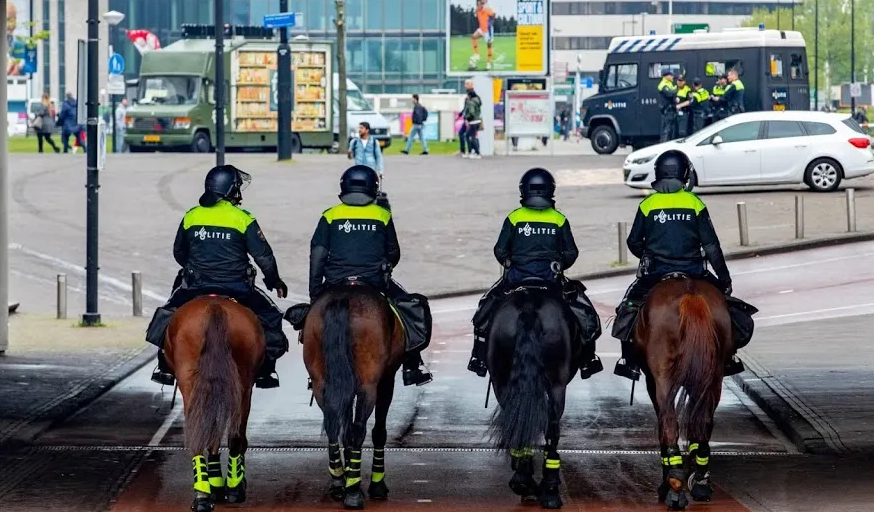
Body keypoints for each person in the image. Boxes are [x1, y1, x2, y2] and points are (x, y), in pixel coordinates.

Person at [148, 164, 289, 389]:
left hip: (196, 286)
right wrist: (274, 281)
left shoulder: (192, 216)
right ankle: (266, 371)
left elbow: (179, 252)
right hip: (238, 288)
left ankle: (164, 367)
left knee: (168, 316)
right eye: (238, 189)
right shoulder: (243, 218)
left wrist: (195, 267)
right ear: (230, 190)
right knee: (271, 317)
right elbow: (264, 256)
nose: (240, 194)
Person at [610, 150, 745, 381]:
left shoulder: (647, 204)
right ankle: (730, 357)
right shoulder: (695, 203)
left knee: (628, 310)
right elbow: (712, 246)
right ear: (684, 174)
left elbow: (633, 242)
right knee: (727, 308)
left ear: (658, 173)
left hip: (655, 274)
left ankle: (629, 362)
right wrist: (724, 280)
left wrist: (646, 255)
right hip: (695, 272)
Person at [467, 168, 604, 380]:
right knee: (586, 316)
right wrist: (560, 265)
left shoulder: (514, 218)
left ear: (523, 191)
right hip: (552, 282)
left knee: (483, 314)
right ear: (551, 190)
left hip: (515, 281)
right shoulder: (558, 219)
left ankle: (479, 358)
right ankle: (588, 360)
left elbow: (500, 251)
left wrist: (511, 262)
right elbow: (571, 253)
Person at [306, 165, 433, 387]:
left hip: (335, 282)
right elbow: (394, 252)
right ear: (373, 189)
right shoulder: (382, 215)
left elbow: (317, 254)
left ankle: (315, 372)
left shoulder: (330, 215)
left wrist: (315, 291)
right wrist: (384, 265)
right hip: (374, 282)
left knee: (310, 320)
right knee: (413, 310)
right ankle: (413, 365)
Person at [470, 0, 496, 71]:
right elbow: (475, 12)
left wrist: (491, 23)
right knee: (473, 37)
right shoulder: (477, 11)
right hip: (481, 29)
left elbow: (494, 15)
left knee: (489, 45)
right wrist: (476, 10)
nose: (479, 6)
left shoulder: (487, 10)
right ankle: (477, 54)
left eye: (480, 4)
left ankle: (489, 62)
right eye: (477, 4)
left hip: (488, 30)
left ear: (482, 4)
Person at [461, 81, 483, 159]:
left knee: (471, 137)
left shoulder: (471, 102)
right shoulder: (477, 100)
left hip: (473, 121)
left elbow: (471, 113)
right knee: (470, 136)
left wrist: (466, 118)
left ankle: (476, 152)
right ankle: (472, 151)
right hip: (477, 120)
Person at [657, 69, 677, 142]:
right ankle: (664, 146)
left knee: (670, 130)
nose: (673, 77)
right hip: (667, 110)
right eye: (671, 75)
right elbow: (670, 94)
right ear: (666, 76)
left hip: (671, 110)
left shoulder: (669, 83)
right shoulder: (663, 84)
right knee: (666, 130)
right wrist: (676, 89)